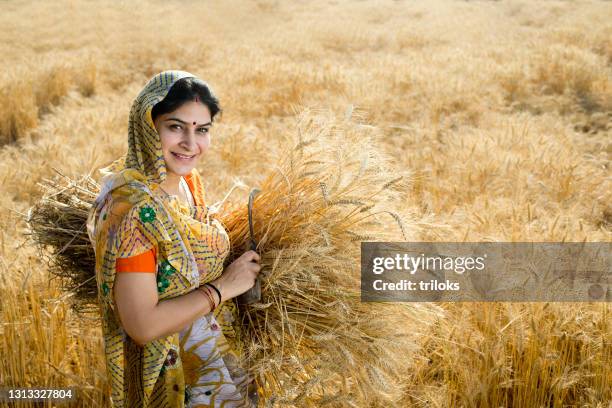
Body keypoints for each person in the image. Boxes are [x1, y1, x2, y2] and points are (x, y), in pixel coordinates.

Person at [86, 70, 261, 407]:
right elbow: (143, 325)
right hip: (171, 379)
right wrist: (224, 287)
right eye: (175, 127)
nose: (190, 144)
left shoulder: (189, 183)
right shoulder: (133, 211)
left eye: (202, 130)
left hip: (214, 358)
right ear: (148, 127)